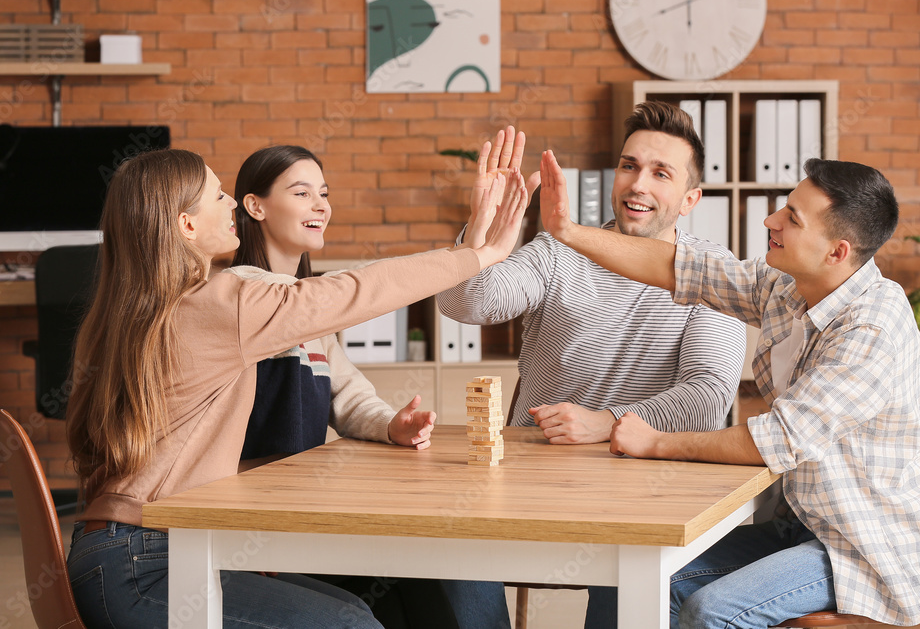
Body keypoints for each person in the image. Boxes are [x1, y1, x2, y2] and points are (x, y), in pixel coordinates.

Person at [64, 148, 528, 629]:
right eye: (218, 195)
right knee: (353, 623)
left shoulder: (148, 307)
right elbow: (357, 289)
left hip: (136, 548)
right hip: (149, 560)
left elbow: (345, 375)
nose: (231, 206)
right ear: (185, 226)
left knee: (377, 603)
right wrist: (481, 254)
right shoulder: (223, 302)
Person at [538, 149, 920, 628]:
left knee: (709, 610)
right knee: (633, 576)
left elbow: (775, 440)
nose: (770, 219)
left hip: (855, 544)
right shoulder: (788, 287)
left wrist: (655, 442)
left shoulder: (873, 327)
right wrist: (568, 233)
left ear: (837, 251)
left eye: (792, 218)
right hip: (797, 523)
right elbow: (680, 266)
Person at [436, 104, 747, 626]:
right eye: (629, 166)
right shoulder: (559, 252)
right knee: (447, 544)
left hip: (643, 489)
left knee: (637, 573)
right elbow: (466, 305)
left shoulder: (712, 275)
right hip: (531, 484)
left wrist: (608, 424)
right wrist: (482, 230)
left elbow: (709, 393)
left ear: (690, 199)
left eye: (660, 173)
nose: (637, 184)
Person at [225, 144, 512, 629]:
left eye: (324, 193)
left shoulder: (309, 315)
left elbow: (349, 395)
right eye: (302, 193)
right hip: (256, 530)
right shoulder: (241, 296)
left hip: (299, 518)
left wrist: (390, 423)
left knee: (436, 564)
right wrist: (473, 254)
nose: (321, 205)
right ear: (255, 207)